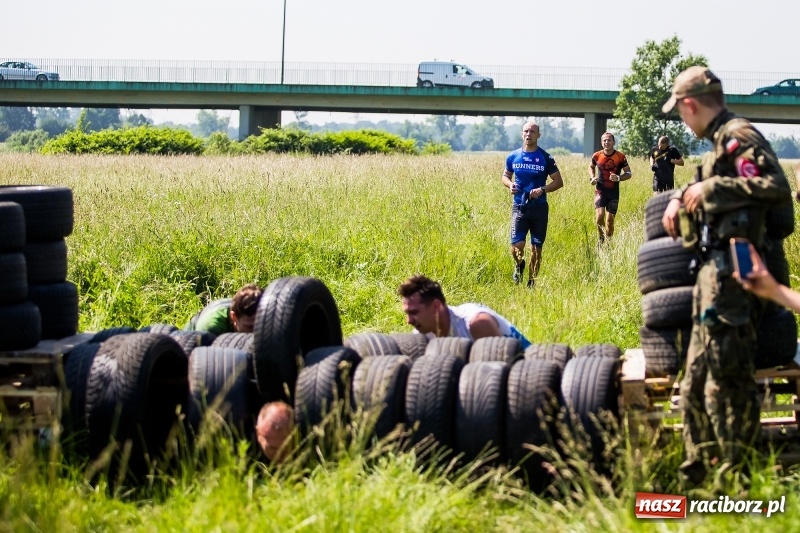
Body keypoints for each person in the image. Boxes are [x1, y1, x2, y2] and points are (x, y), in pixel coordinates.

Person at [661, 66, 792, 489]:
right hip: (713, 276)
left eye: (679, 111)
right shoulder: (719, 144)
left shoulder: (739, 135)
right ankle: (696, 480)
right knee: (696, 381)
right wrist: (684, 195)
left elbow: (774, 185)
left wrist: (711, 191)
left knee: (728, 383)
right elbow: (716, 182)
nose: (681, 120)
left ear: (690, 104)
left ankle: (738, 484)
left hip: (736, 279)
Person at [500, 121, 564, 288]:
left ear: (538, 135)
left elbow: (558, 182)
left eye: (532, 132)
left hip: (539, 209)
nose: (529, 134)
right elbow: (505, 177)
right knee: (516, 246)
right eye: (526, 131)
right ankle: (519, 265)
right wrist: (510, 185)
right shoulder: (513, 156)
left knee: (536, 249)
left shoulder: (546, 157)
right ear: (522, 134)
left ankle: (531, 283)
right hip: (519, 207)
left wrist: (543, 189)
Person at [398, 274, 531, 348]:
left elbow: (508, 373)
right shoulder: (421, 335)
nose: (408, 321)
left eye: (414, 313)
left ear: (436, 307)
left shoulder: (476, 324)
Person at [588, 132, 632, 244]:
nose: (606, 142)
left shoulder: (620, 157)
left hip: (613, 193)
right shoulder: (596, 155)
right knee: (599, 217)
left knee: (609, 221)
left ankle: (608, 243)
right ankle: (601, 240)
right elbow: (591, 167)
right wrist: (592, 177)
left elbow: (628, 173)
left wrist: (619, 177)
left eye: (609, 140)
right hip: (600, 191)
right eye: (604, 140)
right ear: (601, 142)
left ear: (614, 142)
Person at [183, 283, 263, 335]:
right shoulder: (211, 328)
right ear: (234, 317)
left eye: (260, 326)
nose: (255, 332)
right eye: (249, 327)